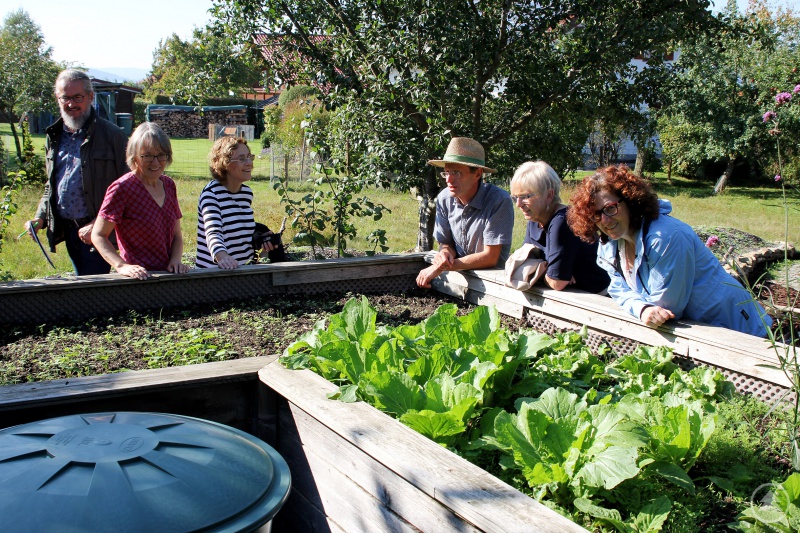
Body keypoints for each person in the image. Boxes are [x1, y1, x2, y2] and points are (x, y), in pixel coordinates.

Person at [566, 164, 771, 336]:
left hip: (740, 329)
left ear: (629, 200)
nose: (605, 220)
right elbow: (617, 289)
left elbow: (667, 308)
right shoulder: (610, 245)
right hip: (701, 332)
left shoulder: (665, 237)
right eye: (595, 214)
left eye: (610, 208)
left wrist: (644, 309)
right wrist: (642, 308)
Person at [27, 69, 129, 275]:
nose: (71, 104)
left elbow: (128, 186)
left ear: (90, 97)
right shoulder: (54, 136)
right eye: (65, 98)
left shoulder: (113, 136)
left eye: (77, 97)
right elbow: (52, 183)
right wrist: (40, 217)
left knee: (94, 293)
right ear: (57, 98)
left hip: (98, 231)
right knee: (82, 284)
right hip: (69, 229)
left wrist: (98, 224)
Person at [91, 122, 189, 280]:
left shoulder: (169, 185)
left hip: (168, 276)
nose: (156, 162)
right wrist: (121, 266)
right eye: (148, 156)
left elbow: (176, 235)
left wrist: (176, 260)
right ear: (134, 156)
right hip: (137, 279)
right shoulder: (122, 188)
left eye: (161, 155)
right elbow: (98, 235)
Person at [416, 137, 514, 288]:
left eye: (456, 172)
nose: (449, 179)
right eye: (446, 172)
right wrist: (445, 254)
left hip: (492, 285)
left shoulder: (499, 201)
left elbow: (490, 257)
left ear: (477, 174)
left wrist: (440, 267)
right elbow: (446, 242)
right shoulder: (444, 198)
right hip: (458, 280)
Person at [509, 161, 609, 293]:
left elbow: (557, 283)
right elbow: (522, 264)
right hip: (570, 298)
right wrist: (549, 273)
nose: (518, 204)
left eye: (525, 197)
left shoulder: (563, 221)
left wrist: (541, 273)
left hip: (597, 299)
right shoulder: (535, 219)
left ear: (549, 195)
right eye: (515, 198)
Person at [196, 136, 283, 269]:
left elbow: (240, 232)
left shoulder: (246, 193)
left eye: (249, 157)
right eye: (242, 159)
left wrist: (261, 240)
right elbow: (213, 233)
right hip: (213, 276)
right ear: (224, 163)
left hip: (242, 273)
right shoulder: (211, 194)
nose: (249, 163)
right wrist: (223, 257)